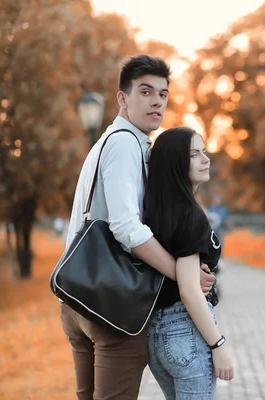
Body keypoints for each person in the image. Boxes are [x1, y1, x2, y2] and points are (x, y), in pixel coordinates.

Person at [60, 55, 215, 400]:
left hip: (78, 296)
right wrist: (181, 273)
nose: (157, 102)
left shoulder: (104, 144)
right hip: (111, 302)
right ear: (122, 98)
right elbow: (127, 228)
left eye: (163, 94)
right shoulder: (125, 145)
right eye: (146, 92)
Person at [143, 127, 234, 399]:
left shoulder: (154, 210)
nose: (206, 159)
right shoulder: (188, 216)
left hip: (156, 335)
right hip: (184, 330)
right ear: (174, 163)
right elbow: (189, 290)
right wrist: (218, 345)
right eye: (194, 154)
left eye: (204, 152)